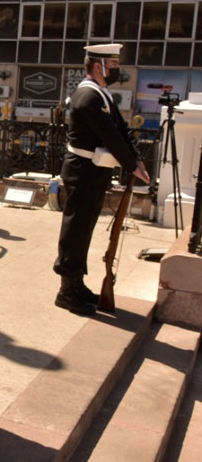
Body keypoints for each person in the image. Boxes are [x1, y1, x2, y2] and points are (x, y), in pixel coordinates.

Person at [53, 43, 150, 315]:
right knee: (76, 231)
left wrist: (137, 160)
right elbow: (110, 136)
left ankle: (77, 284)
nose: (118, 70)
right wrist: (131, 165)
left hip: (94, 172)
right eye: (115, 65)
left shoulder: (102, 94)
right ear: (99, 66)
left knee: (84, 229)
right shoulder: (89, 97)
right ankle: (67, 290)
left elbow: (121, 129)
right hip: (82, 171)